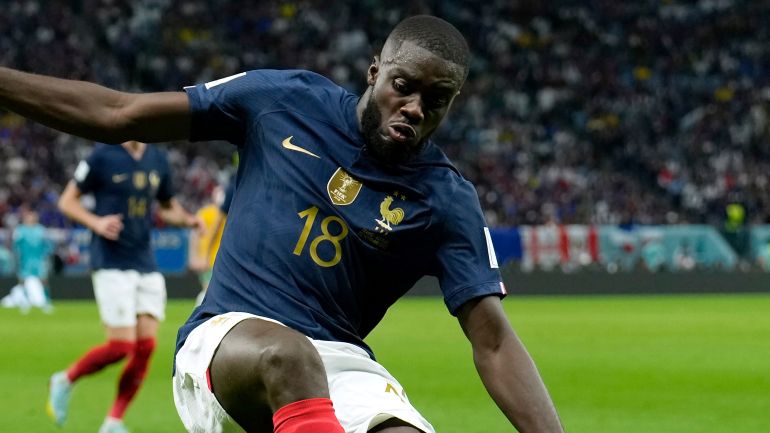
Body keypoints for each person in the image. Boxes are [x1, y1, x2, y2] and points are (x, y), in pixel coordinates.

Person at [0, 15, 564, 433]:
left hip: (339, 364)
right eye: (404, 86)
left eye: (436, 100)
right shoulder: (281, 101)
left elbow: (493, 342)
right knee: (288, 355)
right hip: (225, 341)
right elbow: (118, 114)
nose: (415, 107)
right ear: (375, 72)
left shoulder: (446, 199)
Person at [46, 140, 200, 433]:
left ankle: (113, 421)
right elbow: (67, 201)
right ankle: (65, 379)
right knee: (120, 346)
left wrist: (189, 220)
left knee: (146, 346)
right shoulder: (103, 155)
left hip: (145, 261)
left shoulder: (157, 157)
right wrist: (96, 222)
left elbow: (167, 207)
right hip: (111, 260)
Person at [188, 179, 233, 305]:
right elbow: (195, 235)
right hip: (210, 260)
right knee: (209, 294)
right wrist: (197, 257)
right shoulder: (207, 213)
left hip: (220, 260)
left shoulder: (229, 212)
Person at [11, 208, 54, 313]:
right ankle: (25, 302)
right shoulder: (20, 230)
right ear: (25, 218)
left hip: (39, 260)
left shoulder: (41, 230)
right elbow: (15, 245)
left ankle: (46, 302)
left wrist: (46, 254)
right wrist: (17, 257)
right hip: (25, 260)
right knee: (22, 281)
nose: (31, 218)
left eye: (33, 216)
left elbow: (48, 245)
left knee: (43, 280)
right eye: (29, 216)